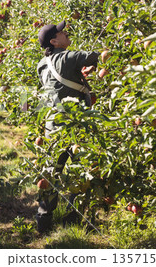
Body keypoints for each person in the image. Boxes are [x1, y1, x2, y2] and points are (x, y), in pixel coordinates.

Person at [34, 21, 100, 233]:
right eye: (60, 32)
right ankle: (73, 219)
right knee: (82, 173)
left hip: (52, 127)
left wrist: (79, 75)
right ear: (54, 41)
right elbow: (97, 55)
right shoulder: (67, 57)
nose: (65, 32)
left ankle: (43, 220)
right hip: (76, 127)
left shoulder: (42, 64)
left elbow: (57, 86)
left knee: (51, 174)